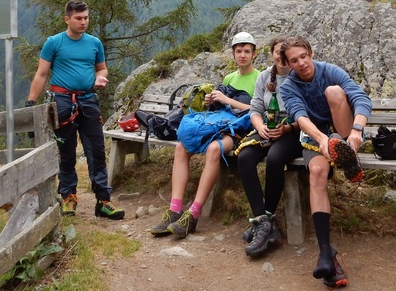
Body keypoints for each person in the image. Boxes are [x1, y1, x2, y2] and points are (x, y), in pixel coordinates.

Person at [279, 36, 371, 289]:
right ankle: (325, 253)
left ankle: (346, 151)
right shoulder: (288, 87)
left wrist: (357, 130)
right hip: (315, 136)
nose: (301, 63)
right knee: (317, 173)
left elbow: (361, 98)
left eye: (303, 56)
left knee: (334, 91)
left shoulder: (330, 71)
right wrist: (321, 139)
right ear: (288, 64)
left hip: (345, 130)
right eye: (294, 60)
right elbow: (299, 116)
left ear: (310, 53)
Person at [150, 31, 261, 238]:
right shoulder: (229, 77)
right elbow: (221, 109)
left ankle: (193, 214)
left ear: (254, 54)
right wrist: (213, 101)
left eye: (247, 51)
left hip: (241, 130)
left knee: (213, 149)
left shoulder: (259, 78)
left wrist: (227, 100)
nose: (242, 55)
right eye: (239, 51)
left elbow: (257, 110)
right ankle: (175, 210)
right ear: (233, 53)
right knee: (182, 146)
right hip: (219, 125)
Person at [26, 0, 124, 220]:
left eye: (86, 18)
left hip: (88, 100)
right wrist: (30, 104)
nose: (83, 22)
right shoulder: (54, 43)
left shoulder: (94, 43)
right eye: (78, 18)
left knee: (96, 150)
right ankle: (68, 197)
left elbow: (102, 68)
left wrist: (100, 78)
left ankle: (103, 201)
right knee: (66, 152)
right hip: (62, 101)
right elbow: (41, 74)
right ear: (67, 19)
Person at [236, 35, 303, 258]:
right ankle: (263, 221)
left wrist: (288, 128)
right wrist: (260, 127)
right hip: (268, 127)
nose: (281, 57)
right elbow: (255, 108)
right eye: (277, 52)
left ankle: (267, 217)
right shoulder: (264, 77)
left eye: (285, 53)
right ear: (272, 54)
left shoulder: (298, 75)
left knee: (275, 158)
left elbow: (307, 113)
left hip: (293, 130)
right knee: (245, 156)